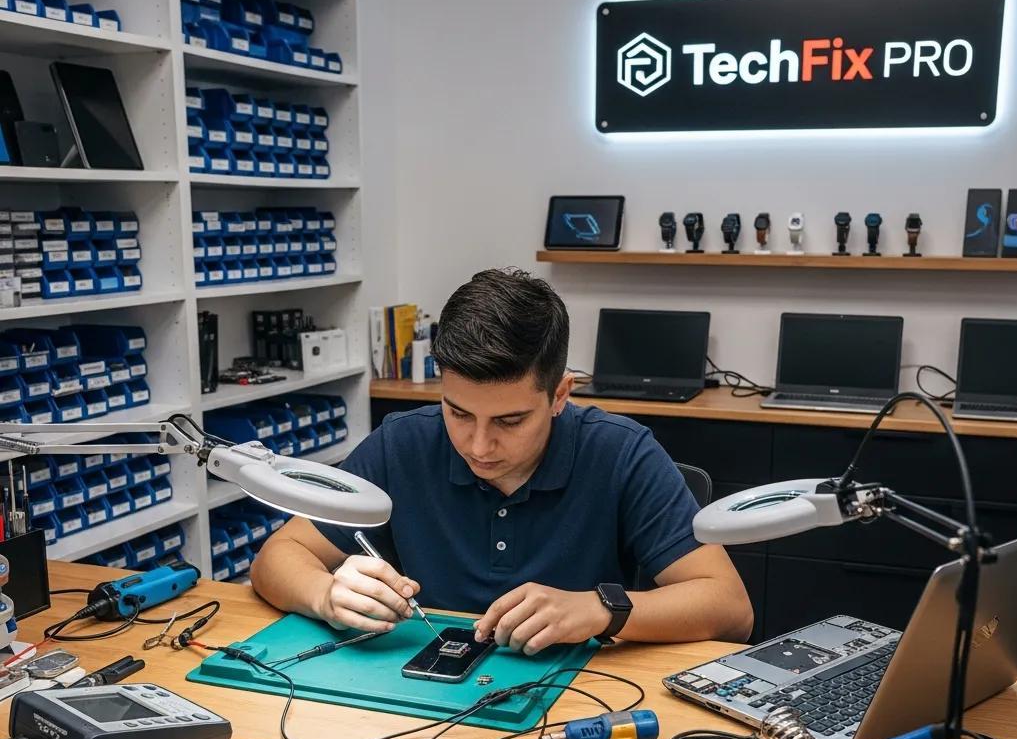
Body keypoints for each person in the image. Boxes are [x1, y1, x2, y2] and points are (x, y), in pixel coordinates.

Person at [251, 268, 753, 653]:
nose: (478, 446)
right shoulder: (403, 444)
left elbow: (731, 608)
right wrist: (327, 595)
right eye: (459, 412)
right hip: (422, 687)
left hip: (573, 700)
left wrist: (601, 609)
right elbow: (277, 557)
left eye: (509, 421)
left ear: (559, 395)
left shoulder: (619, 451)